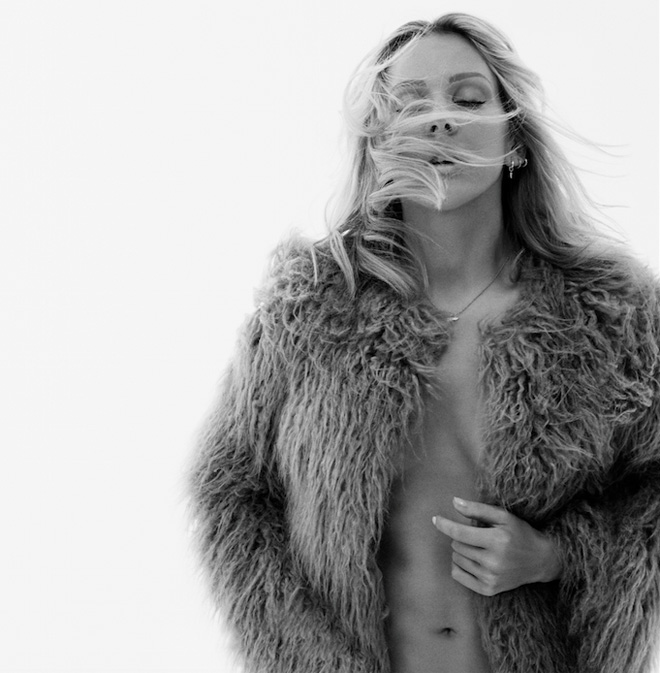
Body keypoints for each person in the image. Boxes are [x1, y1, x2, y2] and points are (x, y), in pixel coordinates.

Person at [187, 13, 660, 673]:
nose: (440, 120)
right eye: (412, 104)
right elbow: (231, 494)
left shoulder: (610, 315)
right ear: (379, 143)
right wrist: (305, 658)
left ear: (515, 140)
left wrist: (560, 556)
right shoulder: (308, 312)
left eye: (468, 99)